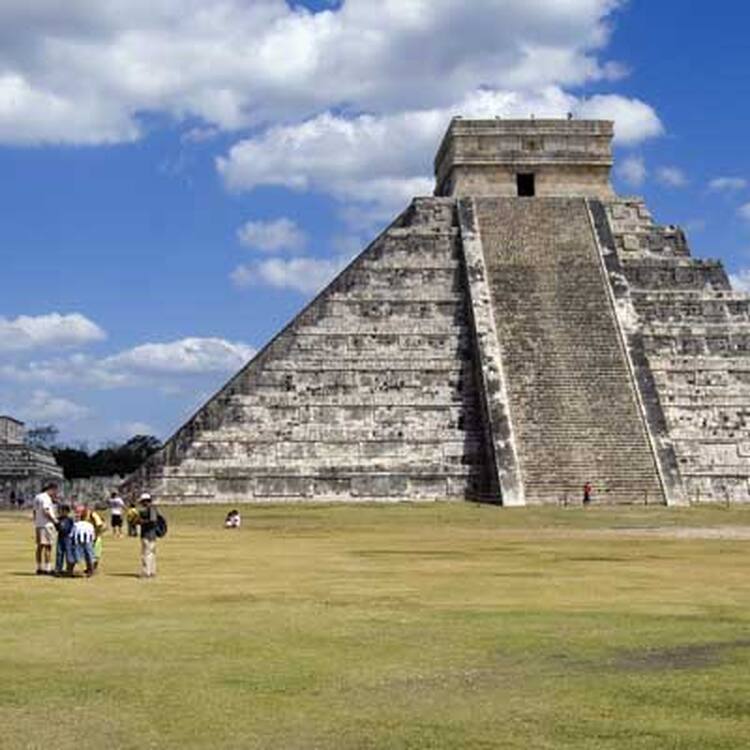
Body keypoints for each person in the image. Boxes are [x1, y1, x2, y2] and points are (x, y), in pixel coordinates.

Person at [33, 482, 59, 575]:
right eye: (55, 491)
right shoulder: (46, 498)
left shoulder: (37, 497)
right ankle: (47, 568)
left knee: (39, 547)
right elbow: (46, 511)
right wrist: (55, 521)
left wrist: (36, 522)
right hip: (47, 524)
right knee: (48, 546)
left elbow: (35, 511)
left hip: (39, 524)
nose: (56, 493)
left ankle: (39, 567)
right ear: (52, 489)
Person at [136, 493, 158, 578]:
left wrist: (141, 522)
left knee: (146, 553)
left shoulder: (150, 509)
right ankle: (152, 571)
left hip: (148, 534)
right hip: (151, 534)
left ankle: (146, 572)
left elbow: (152, 521)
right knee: (151, 553)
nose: (141, 503)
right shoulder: (150, 509)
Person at [72, 507, 96, 577]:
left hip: (79, 541)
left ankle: (78, 571)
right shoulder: (89, 525)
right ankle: (90, 570)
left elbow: (73, 533)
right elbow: (92, 535)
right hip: (87, 541)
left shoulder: (76, 524)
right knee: (89, 556)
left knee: (78, 556)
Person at [54, 504, 76, 576]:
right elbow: (57, 528)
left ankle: (69, 570)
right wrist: (57, 524)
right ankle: (58, 569)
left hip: (68, 538)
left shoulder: (70, 520)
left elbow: (72, 528)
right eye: (60, 511)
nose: (61, 512)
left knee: (69, 553)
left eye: (63, 511)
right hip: (60, 537)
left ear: (67, 512)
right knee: (59, 553)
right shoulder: (59, 519)